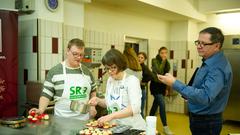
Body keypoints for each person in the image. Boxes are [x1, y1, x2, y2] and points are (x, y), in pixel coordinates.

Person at [158, 27, 233, 135]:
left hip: (207, 122)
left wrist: (174, 83)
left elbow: (205, 96)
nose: (198, 46)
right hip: (200, 118)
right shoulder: (209, 61)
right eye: (198, 42)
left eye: (203, 44)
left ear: (217, 45)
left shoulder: (217, 68)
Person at [29, 38, 97, 120]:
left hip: (84, 121)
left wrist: (93, 107)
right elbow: (46, 94)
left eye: (81, 55)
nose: (78, 57)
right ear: (67, 51)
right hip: (62, 121)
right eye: (75, 54)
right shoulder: (55, 71)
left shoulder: (87, 71)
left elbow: (93, 90)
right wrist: (40, 110)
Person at [88, 48, 146, 130]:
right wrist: (98, 100)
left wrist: (111, 116)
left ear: (121, 65)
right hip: (117, 127)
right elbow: (110, 102)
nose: (110, 71)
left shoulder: (131, 81)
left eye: (113, 68)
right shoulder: (110, 80)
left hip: (132, 128)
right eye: (107, 68)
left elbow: (135, 108)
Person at [149, 47, 173, 135]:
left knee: (155, 105)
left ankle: (147, 123)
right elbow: (158, 71)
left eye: (165, 53)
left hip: (162, 85)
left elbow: (166, 75)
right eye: (162, 53)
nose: (164, 55)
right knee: (162, 104)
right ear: (159, 53)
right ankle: (165, 127)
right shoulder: (154, 60)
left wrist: (167, 88)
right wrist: (163, 61)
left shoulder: (167, 63)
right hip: (155, 86)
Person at [137, 52, 154, 117]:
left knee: (140, 110)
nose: (140, 59)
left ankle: (142, 126)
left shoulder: (144, 67)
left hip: (141, 90)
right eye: (138, 57)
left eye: (142, 58)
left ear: (144, 59)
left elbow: (151, 76)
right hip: (134, 90)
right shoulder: (135, 66)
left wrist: (143, 82)